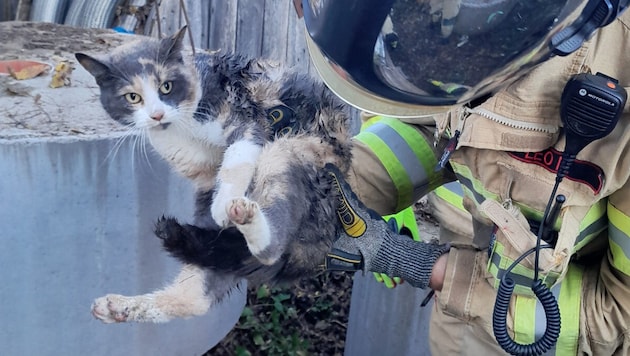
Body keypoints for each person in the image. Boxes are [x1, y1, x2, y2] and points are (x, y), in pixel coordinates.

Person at [299, 0, 630, 355]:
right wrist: (334, 185)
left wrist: (415, 262)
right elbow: (436, 121)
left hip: (544, 333)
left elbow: (613, 318)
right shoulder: (476, 18)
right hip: (458, 301)